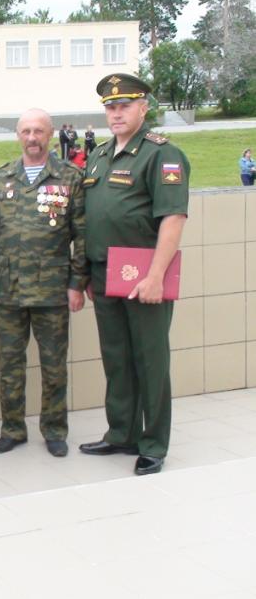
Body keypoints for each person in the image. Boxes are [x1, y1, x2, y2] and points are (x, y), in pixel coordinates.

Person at [79, 73, 190, 476]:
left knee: (151, 360)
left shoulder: (163, 154)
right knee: (117, 360)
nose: (116, 112)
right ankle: (121, 433)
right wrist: (89, 272)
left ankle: (154, 443)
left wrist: (157, 275)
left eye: (125, 105)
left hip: (145, 276)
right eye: (110, 106)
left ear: (144, 107)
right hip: (106, 275)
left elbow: (173, 218)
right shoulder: (100, 155)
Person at [0, 108, 87, 458]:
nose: (32, 138)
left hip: (52, 290)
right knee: (10, 365)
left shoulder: (70, 177)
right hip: (9, 290)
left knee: (54, 366)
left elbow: (83, 236)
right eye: (26, 131)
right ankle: (12, 429)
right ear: (17, 134)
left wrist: (76, 283)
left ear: (51, 134)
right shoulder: (0, 179)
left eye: (39, 131)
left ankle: (55, 430)